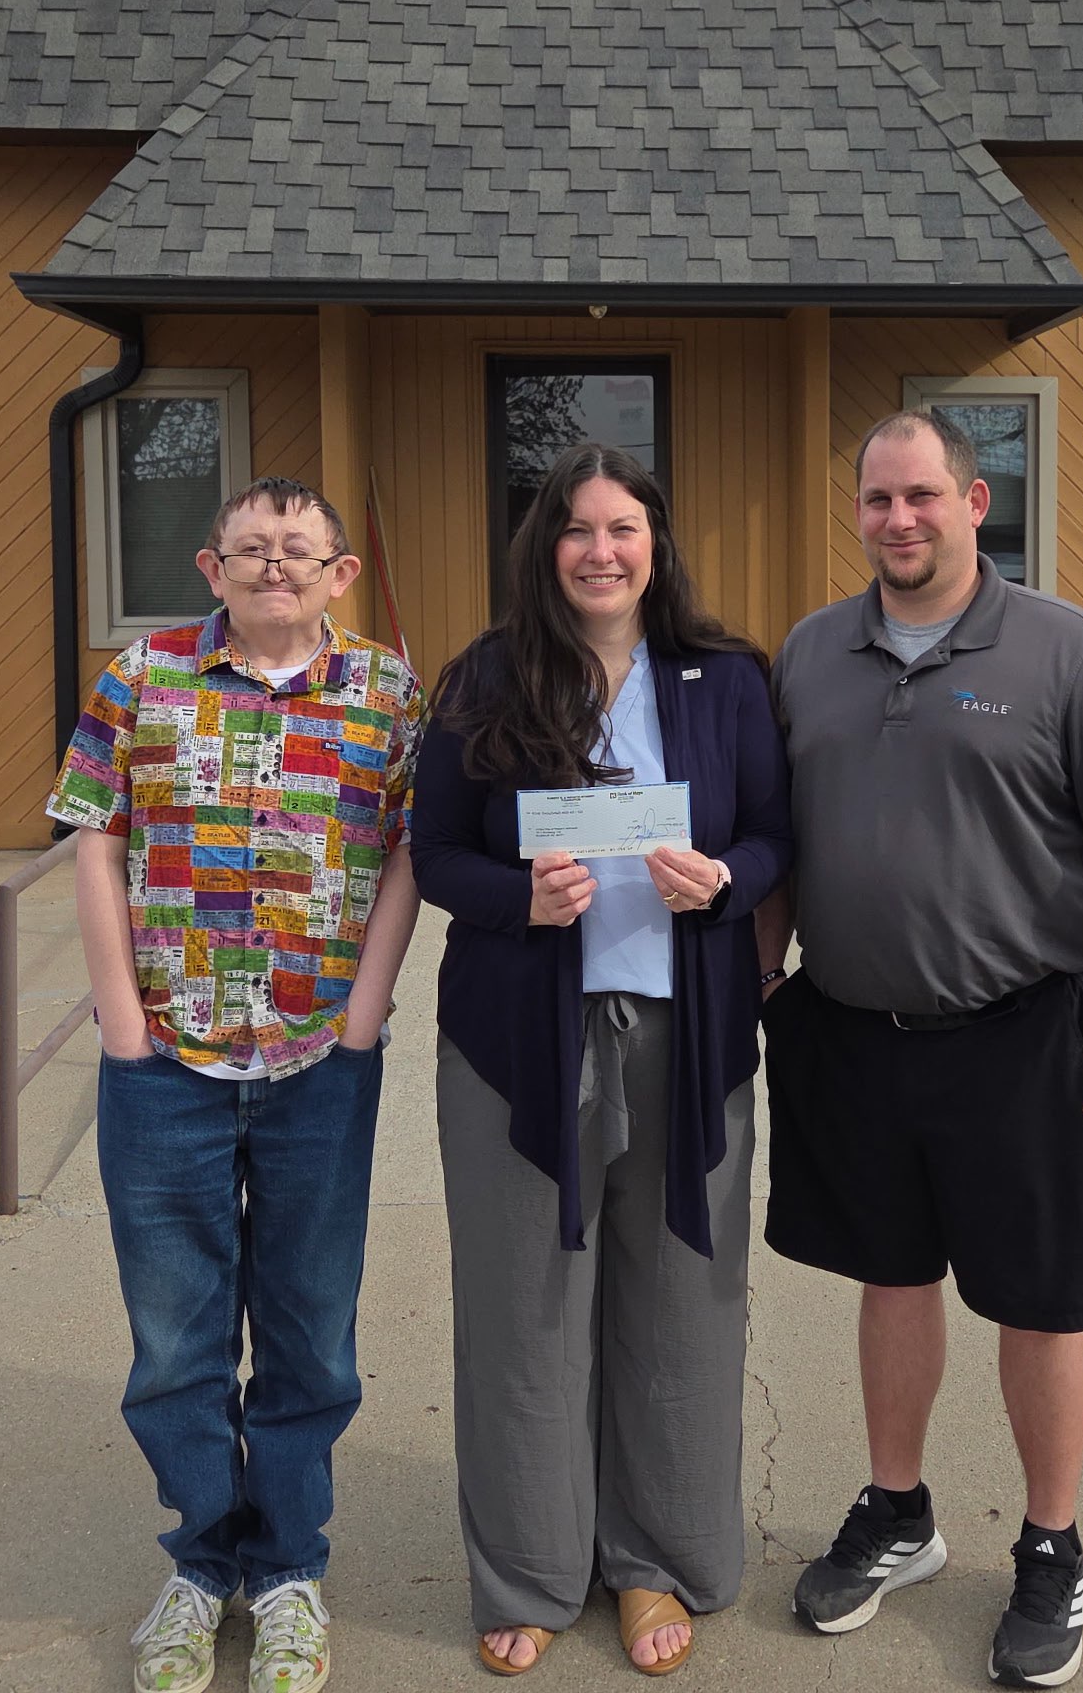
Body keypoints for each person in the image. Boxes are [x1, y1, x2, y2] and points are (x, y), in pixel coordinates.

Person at [759, 408, 1083, 1690]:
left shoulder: (1063, 649)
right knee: (892, 1275)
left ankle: (1052, 1542)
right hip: (857, 1031)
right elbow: (783, 840)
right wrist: (748, 984)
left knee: (1040, 1297)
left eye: (923, 496)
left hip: (1024, 1034)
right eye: (879, 499)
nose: (900, 519)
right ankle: (901, 1512)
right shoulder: (812, 652)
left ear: (974, 499)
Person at [411, 442, 792, 1680]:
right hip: (520, 1043)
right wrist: (522, 898)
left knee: (681, 1304)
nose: (600, 549)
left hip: (687, 1035)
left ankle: (652, 1560)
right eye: (576, 528)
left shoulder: (726, 677)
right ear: (545, 547)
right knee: (525, 1309)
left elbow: (774, 832)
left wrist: (726, 879)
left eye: (623, 526)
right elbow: (436, 853)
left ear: (655, 541)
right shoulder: (486, 674)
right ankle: (528, 1566)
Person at [49, 476, 422, 1693]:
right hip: (167, 1058)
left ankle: (291, 1570)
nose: (274, 567)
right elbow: (94, 830)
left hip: (320, 1058)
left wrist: (364, 1016)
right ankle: (205, 1560)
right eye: (250, 549)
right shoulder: (142, 677)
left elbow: (411, 848)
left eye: (297, 550)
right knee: (175, 1338)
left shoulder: (386, 694)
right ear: (212, 568)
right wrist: (117, 1017)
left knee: (312, 1330)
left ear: (340, 573)